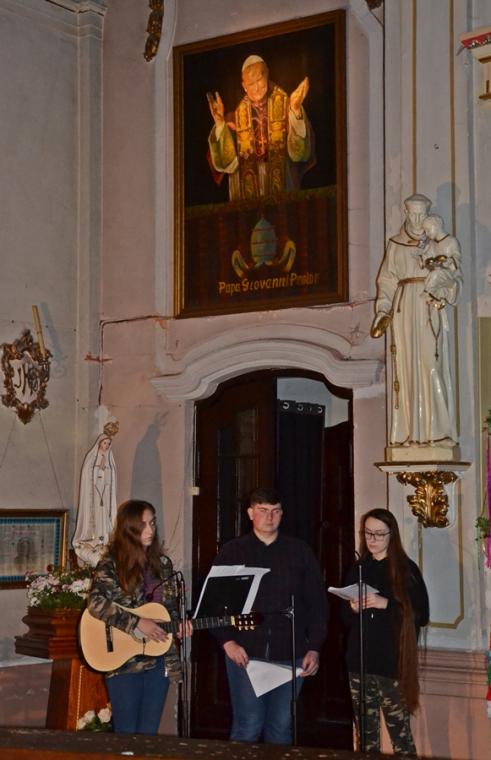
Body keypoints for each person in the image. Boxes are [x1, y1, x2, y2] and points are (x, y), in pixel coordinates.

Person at [210, 487, 328, 744]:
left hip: (291, 653)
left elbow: (317, 605)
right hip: (245, 653)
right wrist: (227, 641)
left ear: (282, 514)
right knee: (248, 724)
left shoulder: (300, 551)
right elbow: (215, 604)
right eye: (263, 511)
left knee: (281, 726)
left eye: (275, 511)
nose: (269, 517)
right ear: (250, 513)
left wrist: (314, 647)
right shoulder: (233, 551)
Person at [370, 195, 462, 451]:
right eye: (414, 214)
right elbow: (386, 281)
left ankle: (438, 433)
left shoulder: (439, 243)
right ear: (406, 213)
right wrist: (383, 310)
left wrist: (444, 281)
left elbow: (454, 274)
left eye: (422, 214)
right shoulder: (395, 244)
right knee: (406, 368)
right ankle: (409, 433)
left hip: (428, 306)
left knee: (431, 364)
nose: (418, 219)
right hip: (403, 309)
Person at [87, 499, 186, 734]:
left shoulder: (163, 564)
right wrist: (137, 622)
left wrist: (179, 626)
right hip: (123, 661)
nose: (150, 530)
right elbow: (96, 603)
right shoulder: (111, 565)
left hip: (159, 656)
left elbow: (169, 608)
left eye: (152, 523)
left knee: (149, 732)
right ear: (129, 529)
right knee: (127, 732)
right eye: (142, 525)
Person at [342, 508, 429, 756]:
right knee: (366, 738)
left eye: (379, 534)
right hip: (359, 662)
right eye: (368, 533)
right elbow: (343, 619)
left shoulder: (405, 570)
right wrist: (352, 608)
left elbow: (421, 615)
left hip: (391, 663)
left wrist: (386, 604)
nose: (372, 539)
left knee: (400, 736)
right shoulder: (359, 568)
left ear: (392, 535)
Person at [207, 55, 315, 201]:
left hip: (284, 191)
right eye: (251, 84)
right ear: (244, 86)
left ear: (267, 74)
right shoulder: (234, 119)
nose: (257, 87)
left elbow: (300, 154)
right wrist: (220, 123)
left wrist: (295, 111)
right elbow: (226, 164)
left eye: (259, 80)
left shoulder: (287, 106)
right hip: (246, 198)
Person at [72, 425, 118, 566]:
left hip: (105, 494)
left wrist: (105, 471)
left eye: (108, 444)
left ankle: (104, 539)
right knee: (96, 515)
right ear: (99, 443)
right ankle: (96, 538)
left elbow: (112, 478)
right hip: (95, 495)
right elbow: (89, 475)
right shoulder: (91, 459)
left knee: (104, 515)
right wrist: (100, 471)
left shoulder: (109, 459)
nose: (106, 446)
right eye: (105, 443)